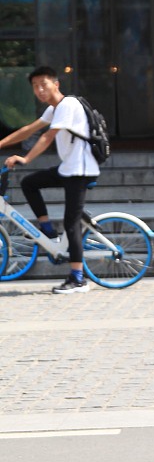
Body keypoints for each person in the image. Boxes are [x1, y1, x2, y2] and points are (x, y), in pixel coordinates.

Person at [0, 66, 100, 294]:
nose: (39, 90)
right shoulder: (53, 109)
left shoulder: (67, 105)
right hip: (68, 169)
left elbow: (47, 136)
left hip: (81, 170)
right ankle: (47, 231)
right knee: (29, 183)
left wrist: (25, 158)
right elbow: (28, 130)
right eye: (35, 86)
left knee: (70, 223)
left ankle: (78, 279)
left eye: (43, 84)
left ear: (56, 84)